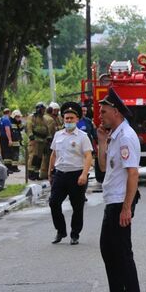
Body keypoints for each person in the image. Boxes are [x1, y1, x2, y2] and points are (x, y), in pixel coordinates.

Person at [93, 88, 145, 292]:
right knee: (108, 250)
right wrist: (102, 142)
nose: (100, 115)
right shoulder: (114, 135)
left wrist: (127, 207)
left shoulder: (125, 137)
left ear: (116, 112)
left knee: (123, 253)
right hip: (112, 201)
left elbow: (133, 174)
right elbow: (104, 168)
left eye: (104, 111)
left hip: (120, 202)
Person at [48, 102, 93, 245]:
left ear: (77, 119)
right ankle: (60, 231)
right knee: (54, 203)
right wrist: (50, 172)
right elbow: (54, 154)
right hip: (60, 174)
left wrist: (84, 174)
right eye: (66, 118)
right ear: (63, 119)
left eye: (71, 118)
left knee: (77, 207)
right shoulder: (58, 135)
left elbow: (88, 156)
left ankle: (75, 234)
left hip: (76, 175)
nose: (68, 121)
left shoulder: (83, 136)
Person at [26, 102, 51, 180]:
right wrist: (31, 135)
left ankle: (36, 174)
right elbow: (29, 126)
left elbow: (47, 129)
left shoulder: (44, 119)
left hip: (42, 141)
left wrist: (49, 137)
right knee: (33, 157)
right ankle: (30, 174)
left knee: (39, 158)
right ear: (38, 109)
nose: (44, 111)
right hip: (34, 140)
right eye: (43, 109)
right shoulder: (32, 117)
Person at [40, 103, 61, 180]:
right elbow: (51, 131)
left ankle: (44, 174)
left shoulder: (55, 118)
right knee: (47, 158)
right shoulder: (49, 119)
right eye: (55, 110)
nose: (56, 112)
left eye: (57, 110)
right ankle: (45, 175)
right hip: (49, 141)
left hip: (49, 140)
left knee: (47, 158)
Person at [0, 108, 14, 173]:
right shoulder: (7, 119)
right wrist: (10, 140)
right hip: (6, 138)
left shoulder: (1, 119)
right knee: (8, 153)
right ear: (9, 113)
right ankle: (8, 168)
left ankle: (4, 168)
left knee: (3, 153)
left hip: (1, 137)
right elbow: (7, 130)